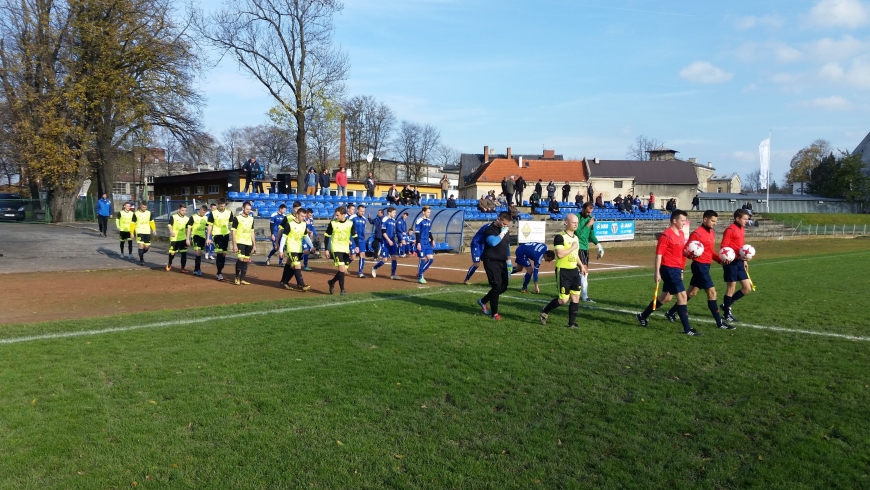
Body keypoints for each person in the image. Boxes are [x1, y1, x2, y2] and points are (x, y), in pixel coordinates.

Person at [634, 209, 702, 336]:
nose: (684, 223)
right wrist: (657, 272)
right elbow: (659, 255)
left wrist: (687, 259)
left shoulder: (681, 234)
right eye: (682, 220)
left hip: (676, 269)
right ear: (674, 220)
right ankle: (687, 329)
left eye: (685, 220)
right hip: (668, 269)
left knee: (666, 298)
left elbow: (681, 252)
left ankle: (642, 316)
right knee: (682, 296)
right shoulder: (665, 236)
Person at [663, 210, 734, 330]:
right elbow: (686, 251)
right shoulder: (697, 234)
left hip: (706, 266)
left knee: (691, 293)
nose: (715, 223)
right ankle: (719, 323)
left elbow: (710, 251)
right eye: (712, 221)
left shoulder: (711, 232)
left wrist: (720, 260)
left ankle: (671, 312)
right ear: (705, 219)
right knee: (712, 292)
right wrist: (681, 269)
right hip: (699, 267)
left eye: (716, 221)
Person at [539, 214, 584, 329]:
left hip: (574, 271)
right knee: (563, 300)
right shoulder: (560, 237)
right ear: (566, 223)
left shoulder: (576, 238)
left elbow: (576, 254)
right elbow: (560, 254)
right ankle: (545, 310)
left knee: (575, 298)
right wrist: (573, 247)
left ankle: (571, 324)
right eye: (573, 222)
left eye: (577, 223)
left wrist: (581, 265)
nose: (576, 224)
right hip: (563, 271)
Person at [476, 212, 513, 321]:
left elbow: (507, 245)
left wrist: (509, 261)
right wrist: (502, 233)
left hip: (502, 261)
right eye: (503, 223)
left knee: (504, 286)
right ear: (498, 219)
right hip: (491, 260)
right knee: (496, 286)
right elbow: (493, 242)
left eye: (507, 224)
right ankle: (495, 314)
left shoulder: (505, 230)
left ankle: (483, 301)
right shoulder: (489, 229)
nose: (505, 226)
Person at [720, 209, 753, 323]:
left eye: (747, 219)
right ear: (737, 218)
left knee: (747, 288)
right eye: (745, 219)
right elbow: (724, 247)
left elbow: (740, 246)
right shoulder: (730, 230)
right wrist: (734, 257)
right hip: (731, 263)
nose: (746, 221)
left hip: (739, 262)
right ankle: (726, 313)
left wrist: (744, 259)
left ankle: (726, 305)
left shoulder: (741, 229)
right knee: (731, 288)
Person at [324, 206, 357, 295]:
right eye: (336, 215)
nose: (336, 217)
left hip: (345, 249)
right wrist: (327, 249)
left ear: (343, 215)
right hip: (336, 248)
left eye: (338, 215)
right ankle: (342, 290)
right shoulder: (333, 223)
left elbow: (354, 235)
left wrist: (356, 246)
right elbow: (327, 236)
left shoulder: (350, 223)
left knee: (343, 270)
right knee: (342, 268)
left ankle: (332, 282)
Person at [277, 207, 311, 291]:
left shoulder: (303, 224)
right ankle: (302, 285)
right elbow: (284, 238)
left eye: (304, 216)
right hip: (291, 248)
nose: (304, 218)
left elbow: (306, 236)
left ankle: (285, 281)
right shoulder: (289, 224)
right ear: (297, 215)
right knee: (297, 265)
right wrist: (281, 250)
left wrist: (312, 246)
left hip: (299, 248)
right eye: (302, 216)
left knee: (293, 266)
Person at [576, 202, 604, 302]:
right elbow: (579, 234)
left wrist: (599, 245)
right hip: (577, 247)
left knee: (581, 272)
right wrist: (588, 225)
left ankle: (576, 293)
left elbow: (591, 235)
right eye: (587, 212)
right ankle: (584, 297)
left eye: (590, 212)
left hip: (585, 248)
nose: (588, 214)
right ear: (583, 208)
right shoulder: (576, 218)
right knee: (584, 271)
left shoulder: (590, 219)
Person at [206, 198, 234, 281]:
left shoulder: (229, 212)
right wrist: (208, 238)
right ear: (218, 205)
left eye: (224, 206)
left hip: (225, 234)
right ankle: (219, 273)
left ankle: (220, 270)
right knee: (219, 253)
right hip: (216, 235)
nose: (223, 207)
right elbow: (210, 225)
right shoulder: (213, 213)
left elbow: (233, 225)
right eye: (221, 206)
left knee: (224, 254)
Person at [371, 206, 402, 280]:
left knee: (394, 257)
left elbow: (395, 232)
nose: (395, 214)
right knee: (385, 259)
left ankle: (393, 274)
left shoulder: (393, 220)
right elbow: (383, 232)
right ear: (389, 213)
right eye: (394, 212)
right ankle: (374, 267)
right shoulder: (385, 220)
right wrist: (388, 240)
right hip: (386, 242)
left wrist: (399, 240)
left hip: (392, 241)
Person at [231, 201, 257, 285]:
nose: (248, 210)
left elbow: (252, 232)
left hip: (248, 243)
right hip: (240, 241)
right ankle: (236, 277)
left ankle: (242, 279)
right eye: (247, 209)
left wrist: (254, 245)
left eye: (250, 209)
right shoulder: (237, 218)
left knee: (246, 260)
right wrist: (234, 244)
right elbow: (233, 232)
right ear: (243, 208)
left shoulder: (251, 219)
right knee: (240, 259)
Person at [165, 204, 192, 273]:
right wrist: (171, 232)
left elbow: (187, 229)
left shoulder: (187, 218)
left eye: (185, 210)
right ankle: (170, 263)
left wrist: (188, 238)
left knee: (184, 253)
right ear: (179, 210)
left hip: (183, 238)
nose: (184, 212)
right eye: (183, 210)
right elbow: (169, 225)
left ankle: (182, 268)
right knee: (172, 253)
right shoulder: (173, 217)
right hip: (174, 238)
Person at [131, 201, 156, 266]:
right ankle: (141, 260)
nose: (144, 208)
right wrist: (132, 232)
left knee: (147, 247)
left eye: (145, 207)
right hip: (139, 231)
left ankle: (141, 253)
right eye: (143, 207)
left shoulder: (149, 213)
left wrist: (154, 229)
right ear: (140, 206)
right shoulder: (136, 214)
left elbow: (151, 222)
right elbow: (132, 224)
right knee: (141, 245)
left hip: (147, 231)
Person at [415, 206, 436, 284]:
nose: (429, 213)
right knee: (422, 259)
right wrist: (418, 243)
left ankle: (420, 272)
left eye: (430, 212)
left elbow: (429, 232)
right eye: (428, 212)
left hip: (427, 243)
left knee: (431, 260)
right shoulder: (419, 221)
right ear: (423, 212)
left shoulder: (429, 221)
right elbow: (417, 233)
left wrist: (432, 240)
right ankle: (420, 277)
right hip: (421, 242)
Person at [190, 204, 209, 277]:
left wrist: (209, 238)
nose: (203, 213)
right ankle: (198, 270)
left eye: (205, 212)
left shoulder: (206, 218)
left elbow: (208, 228)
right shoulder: (193, 217)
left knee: (200, 253)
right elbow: (189, 227)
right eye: (203, 211)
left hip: (202, 237)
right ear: (200, 210)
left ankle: (195, 269)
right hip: (195, 236)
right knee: (198, 252)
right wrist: (188, 238)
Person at [350, 204, 368, 278]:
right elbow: (348, 228)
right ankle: (345, 265)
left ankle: (360, 272)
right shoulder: (352, 218)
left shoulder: (364, 219)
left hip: (361, 239)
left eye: (363, 211)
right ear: (357, 210)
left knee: (362, 254)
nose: (362, 213)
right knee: (353, 257)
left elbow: (364, 229)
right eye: (361, 211)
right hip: (353, 239)